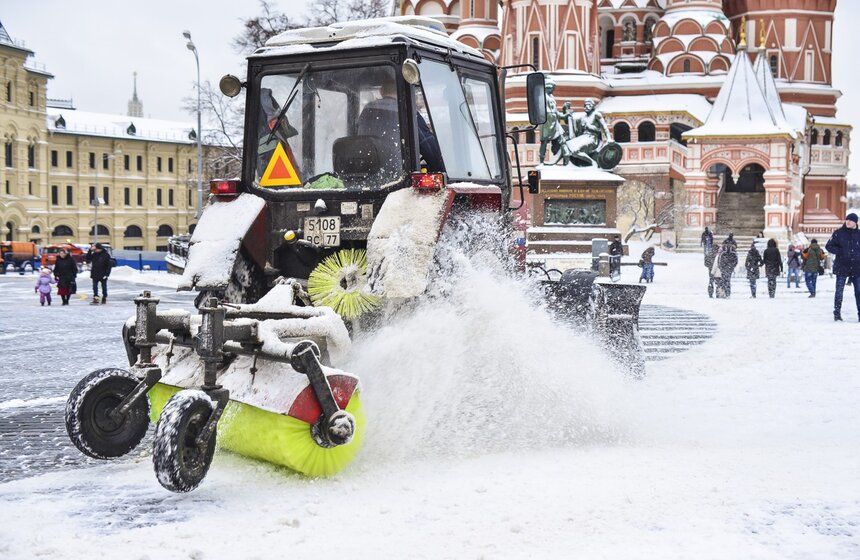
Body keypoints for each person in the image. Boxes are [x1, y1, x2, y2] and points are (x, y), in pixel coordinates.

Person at [825, 212, 860, 321]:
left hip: (857, 267)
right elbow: (828, 246)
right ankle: (837, 313)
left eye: (851, 220)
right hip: (842, 266)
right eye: (847, 220)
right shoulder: (838, 233)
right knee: (839, 291)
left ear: (855, 222)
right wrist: (841, 251)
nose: (848, 222)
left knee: (858, 292)